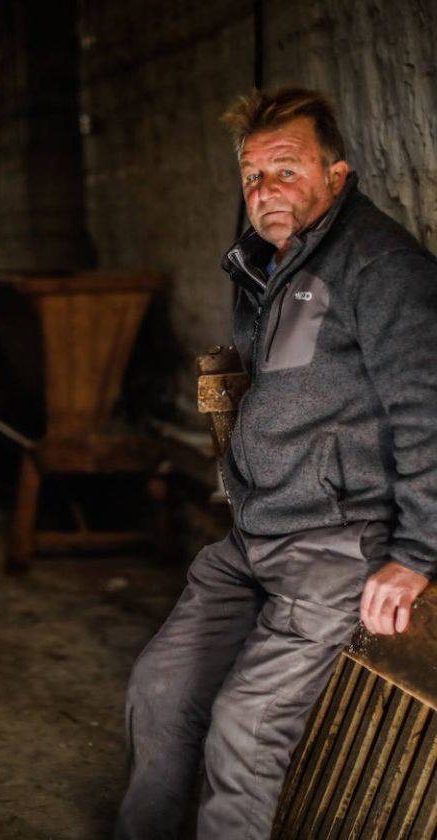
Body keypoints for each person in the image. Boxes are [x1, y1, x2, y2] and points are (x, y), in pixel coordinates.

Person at [115, 87, 437, 837]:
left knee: (244, 727)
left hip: (334, 544)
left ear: (337, 173)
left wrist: (418, 553)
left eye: (286, 170)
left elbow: (428, 409)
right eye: (253, 176)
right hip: (256, 538)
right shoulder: (271, 268)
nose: (266, 190)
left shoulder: (382, 267)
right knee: (159, 689)